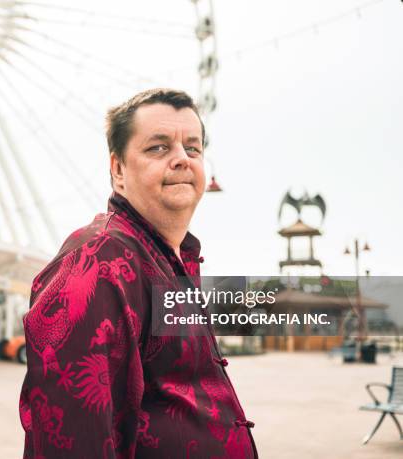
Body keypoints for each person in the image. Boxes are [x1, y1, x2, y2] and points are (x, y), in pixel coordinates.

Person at [19, 88, 258, 458]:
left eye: (192, 148)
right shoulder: (98, 262)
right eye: (158, 148)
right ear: (118, 170)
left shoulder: (171, 261)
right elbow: (74, 441)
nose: (182, 159)